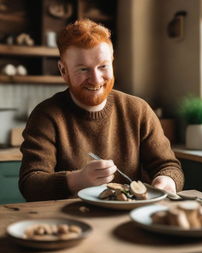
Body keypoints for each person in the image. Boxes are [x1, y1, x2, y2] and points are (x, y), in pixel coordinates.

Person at [19, 19, 184, 201]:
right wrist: (77, 180)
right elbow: (30, 184)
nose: (96, 79)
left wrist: (166, 181)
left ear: (112, 62)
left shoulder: (139, 110)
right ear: (63, 70)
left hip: (131, 218)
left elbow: (169, 166)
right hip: (69, 219)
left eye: (103, 66)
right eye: (83, 69)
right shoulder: (46, 115)